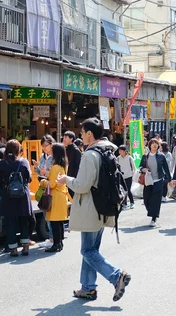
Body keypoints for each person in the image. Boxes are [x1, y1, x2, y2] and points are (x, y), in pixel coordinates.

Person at [57, 118, 131, 301]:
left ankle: (116, 276)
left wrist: (66, 179)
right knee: (91, 250)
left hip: (90, 207)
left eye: (82, 133)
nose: (81, 136)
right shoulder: (107, 150)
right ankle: (88, 287)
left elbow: (82, 185)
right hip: (102, 206)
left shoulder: (90, 155)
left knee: (87, 251)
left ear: (89, 134)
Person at [0, 140, 32, 257]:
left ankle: (13, 249)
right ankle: (26, 247)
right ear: (18, 150)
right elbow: (29, 178)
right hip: (22, 196)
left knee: (10, 222)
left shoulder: (2, 163)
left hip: (8, 196)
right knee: (24, 222)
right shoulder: (24, 162)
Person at [40, 143, 70, 253]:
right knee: (59, 223)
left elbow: (51, 184)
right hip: (62, 195)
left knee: (54, 222)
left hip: (55, 196)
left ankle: (56, 244)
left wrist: (43, 182)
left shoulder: (55, 167)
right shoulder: (64, 165)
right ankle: (60, 243)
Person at [139, 138, 171, 227]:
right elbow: (140, 166)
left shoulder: (161, 156)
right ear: (149, 145)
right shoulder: (145, 156)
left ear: (158, 146)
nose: (154, 145)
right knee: (146, 200)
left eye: (156, 143)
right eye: (152, 143)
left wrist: (170, 179)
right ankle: (151, 212)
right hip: (148, 181)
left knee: (156, 201)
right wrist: (143, 169)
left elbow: (166, 169)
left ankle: (153, 219)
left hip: (158, 181)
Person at [117, 145, 136, 210]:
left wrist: (133, 175)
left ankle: (132, 202)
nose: (119, 152)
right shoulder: (118, 158)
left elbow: (134, 167)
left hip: (129, 176)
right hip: (121, 177)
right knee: (123, 190)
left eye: (121, 150)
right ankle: (124, 203)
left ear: (125, 151)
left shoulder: (129, 158)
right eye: (119, 150)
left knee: (128, 190)